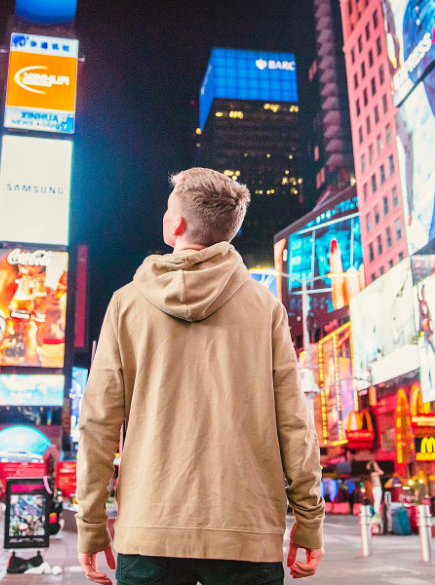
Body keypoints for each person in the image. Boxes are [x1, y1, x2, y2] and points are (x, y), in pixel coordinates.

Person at [77, 168, 325, 584]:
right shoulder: (266, 309)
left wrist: (91, 522)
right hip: (246, 536)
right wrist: (309, 518)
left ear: (176, 224)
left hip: (148, 532)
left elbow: (98, 424)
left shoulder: (126, 304)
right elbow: (296, 425)